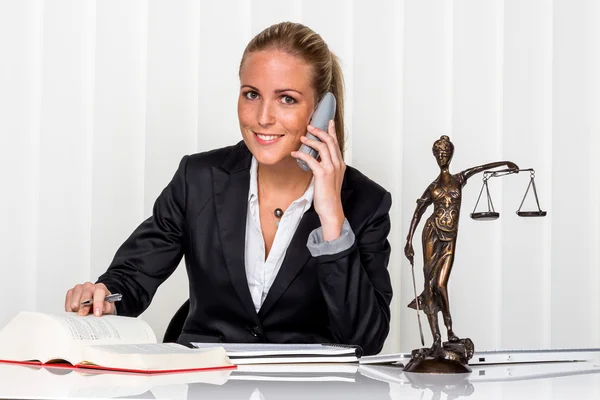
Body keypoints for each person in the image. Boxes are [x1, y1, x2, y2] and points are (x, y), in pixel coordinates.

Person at [65, 21, 393, 355]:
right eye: (252, 94)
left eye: (287, 99)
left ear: (323, 109)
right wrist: (106, 295)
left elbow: (365, 340)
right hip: (211, 382)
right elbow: (133, 275)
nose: (263, 117)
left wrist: (332, 218)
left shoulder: (367, 202)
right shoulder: (199, 178)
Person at [404, 135, 518, 352]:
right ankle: (437, 339)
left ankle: (450, 331)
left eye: (445, 153)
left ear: (451, 155)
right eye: (438, 154)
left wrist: (506, 164)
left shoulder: (459, 179)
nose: (442, 157)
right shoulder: (433, 186)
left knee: (440, 284)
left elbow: (481, 168)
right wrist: (408, 241)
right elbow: (418, 213)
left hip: (449, 237)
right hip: (431, 233)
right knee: (429, 286)